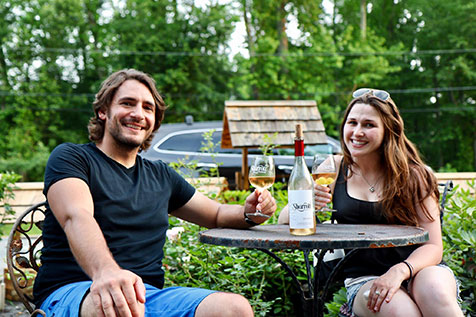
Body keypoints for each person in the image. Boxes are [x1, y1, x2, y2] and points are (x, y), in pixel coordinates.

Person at [33, 68, 277, 317]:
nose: (138, 114)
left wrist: (250, 212)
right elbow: (77, 215)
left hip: (147, 296)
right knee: (118, 305)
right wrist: (105, 271)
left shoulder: (161, 175)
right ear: (103, 111)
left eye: (148, 108)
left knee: (234, 309)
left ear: (154, 122)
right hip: (73, 293)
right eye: (127, 103)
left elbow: (215, 214)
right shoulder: (72, 158)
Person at [278, 88, 463, 317]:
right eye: (352, 122)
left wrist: (399, 271)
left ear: (389, 130)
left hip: (418, 268)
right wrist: (308, 201)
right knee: (401, 312)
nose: (357, 132)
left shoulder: (414, 176)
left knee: (436, 293)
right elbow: (283, 221)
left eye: (369, 125)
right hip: (365, 277)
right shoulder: (333, 169)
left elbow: (433, 246)